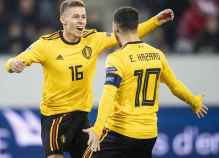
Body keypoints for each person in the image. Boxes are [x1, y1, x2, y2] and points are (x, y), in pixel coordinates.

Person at [4, 0, 174, 157]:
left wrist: (155, 22)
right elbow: (14, 61)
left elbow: (126, 34)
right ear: (63, 19)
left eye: (83, 16)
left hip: (81, 117)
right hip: (56, 117)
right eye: (76, 16)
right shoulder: (46, 44)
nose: (81, 21)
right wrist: (14, 65)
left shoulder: (92, 39)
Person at [83, 7, 208, 158]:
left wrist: (97, 129)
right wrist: (194, 101)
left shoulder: (117, 58)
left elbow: (108, 95)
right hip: (148, 136)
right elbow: (175, 86)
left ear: (115, 28)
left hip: (120, 133)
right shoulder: (157, 55)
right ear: (136, 26)